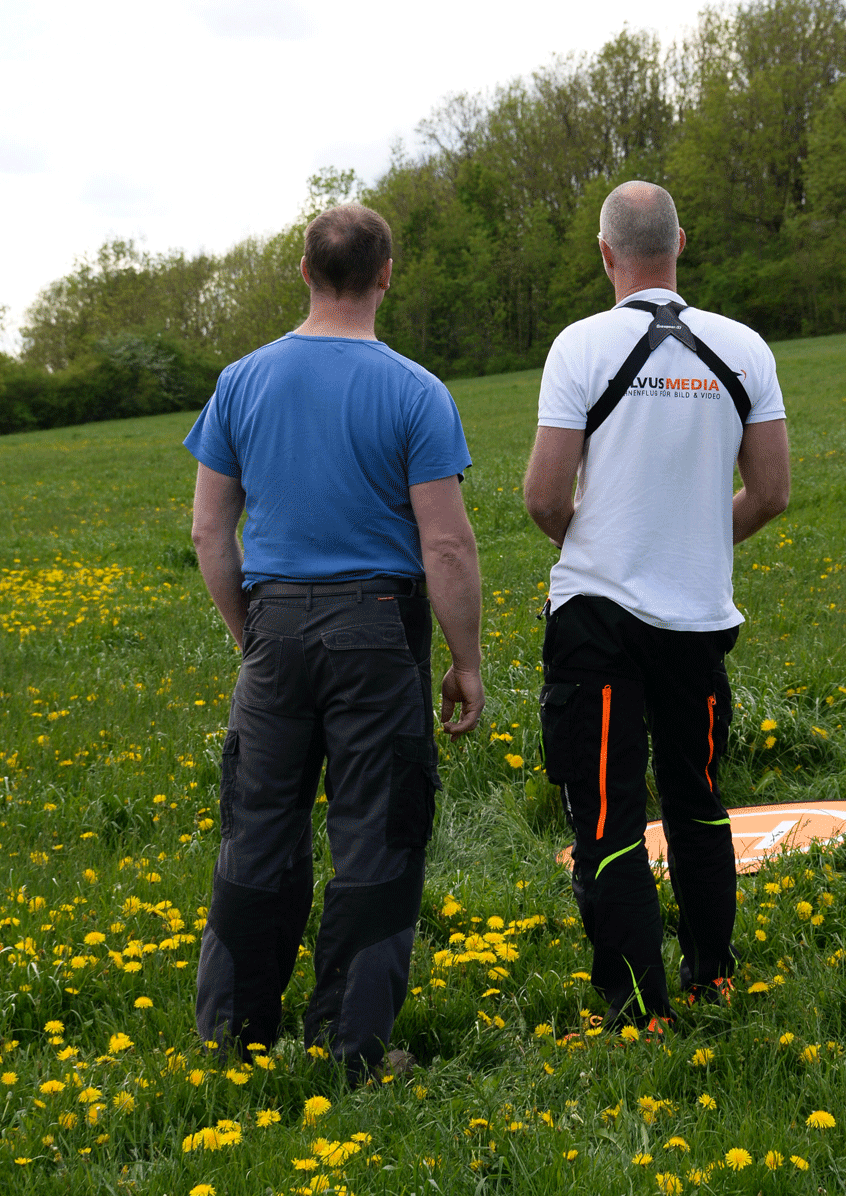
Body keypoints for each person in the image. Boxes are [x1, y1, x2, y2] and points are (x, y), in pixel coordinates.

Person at [185, 204, 484, 1078]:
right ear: (387, 273)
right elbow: (447, 543)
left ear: (304, 271)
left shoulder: (240, 381)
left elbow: (210, 532)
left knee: (258, 828)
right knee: (377, 832)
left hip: (273, 622)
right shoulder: (416, 390)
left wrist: (252, 631)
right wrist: (465, 661)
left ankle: (233, 1036)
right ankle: (351, 1047)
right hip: (378, 630)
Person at [523, 181, 790, 1029]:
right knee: (701, 803)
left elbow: (541, 495)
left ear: (605, 253)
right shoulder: (745, 347)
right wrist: (695, 541)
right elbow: (772, 492)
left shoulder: (580, 346)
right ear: (683, 240)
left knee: (607, 821)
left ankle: (639, 1009)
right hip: (697, 621)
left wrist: (602, 546)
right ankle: (713, 974)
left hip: (596, 620)